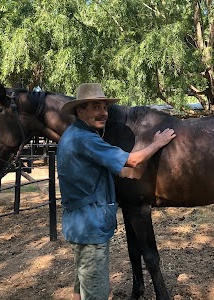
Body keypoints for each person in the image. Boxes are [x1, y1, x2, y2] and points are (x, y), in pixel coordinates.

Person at [57, 83, 176, 300]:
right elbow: (133, 159)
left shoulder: (72, 136)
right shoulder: (87, 139)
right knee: (96, 292)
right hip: (90, 226)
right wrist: (158, 142)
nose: (103, 113)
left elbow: (95, 170)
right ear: (80, 111)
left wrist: (121, 173)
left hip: (77, 225)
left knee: (81, 283)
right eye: (96, 107)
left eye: (105, 107)